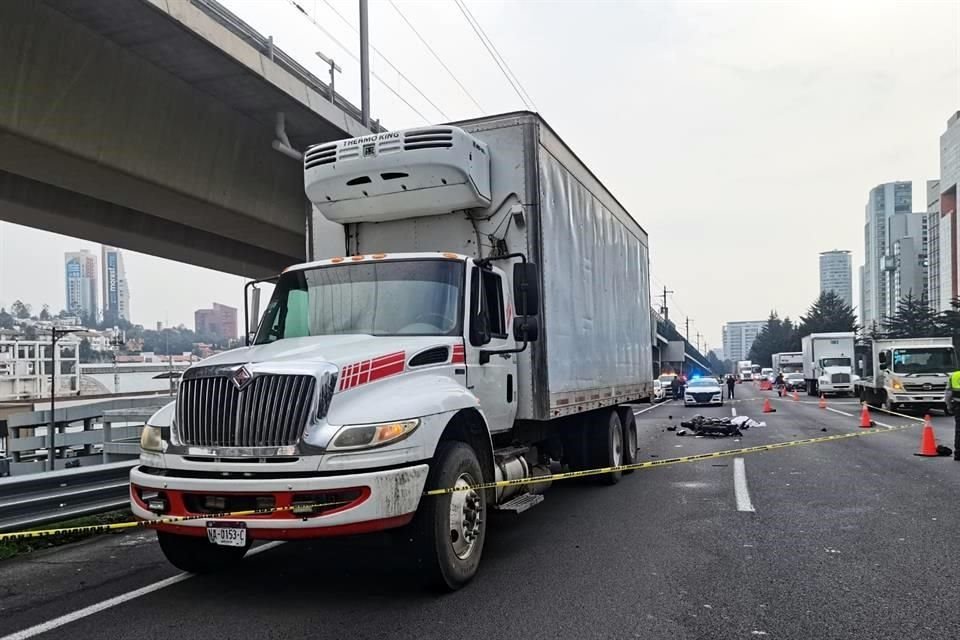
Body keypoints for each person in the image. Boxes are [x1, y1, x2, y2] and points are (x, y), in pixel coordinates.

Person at [949, 369, 960, 461]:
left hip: (958, 405)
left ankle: (958, 453)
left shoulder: (955, 375)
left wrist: (949, 406)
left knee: (959, 430)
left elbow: (948, 393)